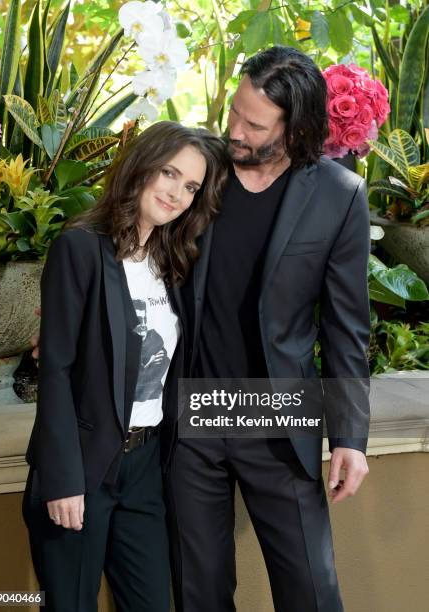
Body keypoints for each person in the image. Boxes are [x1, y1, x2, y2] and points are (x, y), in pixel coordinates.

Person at [162, 46, 371, 611]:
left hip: (279, 415)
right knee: (199, 595)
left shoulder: (339, 194)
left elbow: (347, 327)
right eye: (233, 112)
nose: (234, 130)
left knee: (311, 591)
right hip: (196, 410)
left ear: (295, 127)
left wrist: (350, 437)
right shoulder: (201, 172)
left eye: (253, 124)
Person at [22, 121, 229, 612]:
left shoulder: (174, 261)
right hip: (85, 465)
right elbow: (55, 370)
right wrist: (64, 479)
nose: (177, 193)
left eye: (191, 186)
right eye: (169, 173)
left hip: (144, 467)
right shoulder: (80, 248)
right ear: (141, 167)